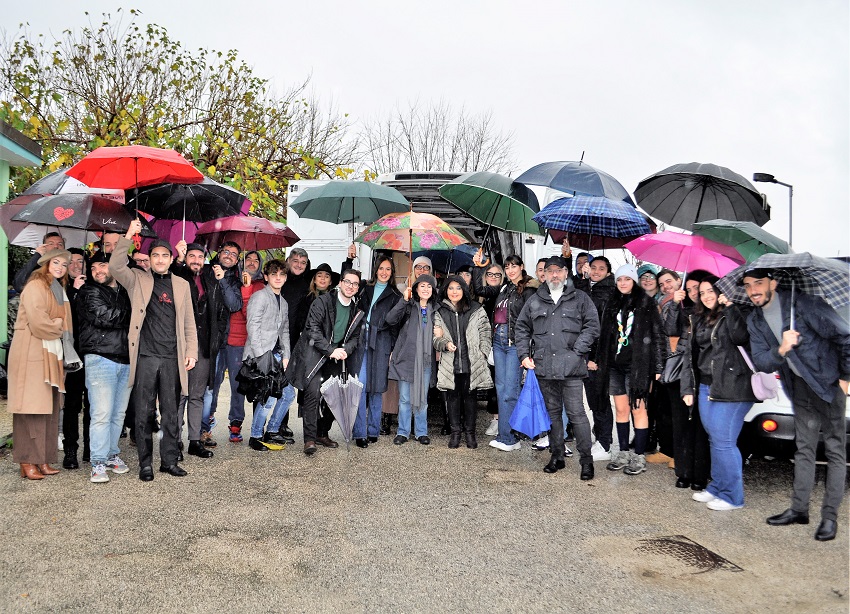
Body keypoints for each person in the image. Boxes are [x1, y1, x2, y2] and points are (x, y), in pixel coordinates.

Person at [743, 268, 850, 541]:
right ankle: (799, 509)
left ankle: (829, 518)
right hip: (799, 388)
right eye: (747, 285)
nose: (753, 290)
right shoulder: (755, 320)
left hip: (828, 385)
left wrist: (846, 378)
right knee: (804, 448)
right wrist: (782, 348)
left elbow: (845, 336)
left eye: (759, 283)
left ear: (773, 283)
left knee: (836, 451)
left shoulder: (804, 304)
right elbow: (762, 362)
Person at [111, 220, 197, 481]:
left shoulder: (181, 285)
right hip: (147, 357)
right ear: (149, 259)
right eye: (155, 255)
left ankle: (168, 461)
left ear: (171, 259)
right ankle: (145, 463)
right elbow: (115, 266)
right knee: (144, 412)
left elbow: (189, 323)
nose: (160, 260)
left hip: (173, 357)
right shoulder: (137, 279)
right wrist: (129, 234)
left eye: (164, 255)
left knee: (171, 413)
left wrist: (191, 351)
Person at [515, 256, 599, 478]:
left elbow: (592, 326)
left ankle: (586, 461)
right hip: (545, 367)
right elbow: (521, 327)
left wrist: (577, 351)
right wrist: (524, 355)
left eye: (559, 270)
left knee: (577, 414)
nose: (554, 275)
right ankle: (557, 455)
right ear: (544, 274)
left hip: (571, 367)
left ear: (566, 273)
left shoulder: (580, 298)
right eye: (550, 271)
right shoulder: (535, 299)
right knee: (552, 414)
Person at [680, 275, 756, 510]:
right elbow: (690, 356)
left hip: (734, 386)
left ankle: (733, 497)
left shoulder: (738, 311)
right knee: (716, 439)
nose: (706, 295)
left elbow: (740, 337)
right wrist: (688, 387)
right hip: (705, 385)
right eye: (702, 293)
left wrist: (731, 307)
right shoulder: (699, 318)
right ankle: (717, 487)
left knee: (724, 442)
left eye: (711, 290)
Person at [7, 248, 73, 480]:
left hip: (48, 353)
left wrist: (59, 324)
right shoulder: (35, 285)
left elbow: (64, 322)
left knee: (48, 408)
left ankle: (42, 458)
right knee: (30, 408)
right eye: (56, 262)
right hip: (30, 353)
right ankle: (27, 460)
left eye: (64, 265)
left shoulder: (56, 288)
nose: (60, 268)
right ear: (45, 263)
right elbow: (40, 323)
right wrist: (58, 324)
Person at [595, 264, 665, 477]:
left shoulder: (646, 303)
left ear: (634, 281)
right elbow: (604, 334)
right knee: (622, 409)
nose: (623, 283)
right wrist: (598, 360)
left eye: (627, 279)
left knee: (638, 410)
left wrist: (659, 367)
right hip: (615, 366)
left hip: (638, 366)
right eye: (619, 279)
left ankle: (639, 456)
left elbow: (658, 336)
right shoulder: (612, 302)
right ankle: (623, 452)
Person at [172, 240, 241, 452]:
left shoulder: (215, 277)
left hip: (206, 344)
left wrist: (222, 281)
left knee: (198, 394)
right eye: (192, 257)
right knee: (180, 394)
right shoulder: (188, 274)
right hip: (181, 343)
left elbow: (230, 306)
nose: (196, 261)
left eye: (200, 257)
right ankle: (174, 439)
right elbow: (174, 277)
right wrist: (179, 259)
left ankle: (194, 440)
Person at [286, 269, 363, 455]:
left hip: (336, 357)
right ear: (340, 283)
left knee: (334, 396)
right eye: (348, 282)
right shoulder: (323, 301)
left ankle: (322, 432)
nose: (350, 286)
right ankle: (310, 439)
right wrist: (330, 350)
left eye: (355, 284)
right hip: (315, 354)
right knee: (312, 395)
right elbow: (312, 329)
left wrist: (345, 350)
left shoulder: (356, 310)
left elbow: (355, 337)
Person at [75, 250, 133, 483]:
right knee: (100, 413)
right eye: (94, 267)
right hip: (100, 358)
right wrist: (135, 314)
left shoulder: (124, 292)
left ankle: (111, 455)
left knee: (117, 414)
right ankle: (97, 462)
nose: (98, 271)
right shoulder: (88, 291)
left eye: (103, 266)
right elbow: (105, 317)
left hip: (125, 359)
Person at [472, 254, 535, 452]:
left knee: (510, 391)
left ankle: (510, 437)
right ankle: (504, 434)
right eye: (507, 267)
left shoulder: (529, 289)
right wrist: (477, 267)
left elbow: (530, 320)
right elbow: (480, 289)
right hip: (498, 341)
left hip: (514, 342)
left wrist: (527, 348)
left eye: (514, 266)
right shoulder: (504, 288)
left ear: (521, 267)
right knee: (500, 389)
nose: (510, 270)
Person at [267, 260, 336, 442]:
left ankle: (323, 432)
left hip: (330, 352)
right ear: (314, 279)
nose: (322, 278)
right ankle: (310, 435)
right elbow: (299, 322)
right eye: (319, 275)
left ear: (330, 281)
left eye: (326, 276)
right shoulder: (307, 298)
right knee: (310, 394)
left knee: (328, 392)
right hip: (310, 349)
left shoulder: (335, 299)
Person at [661, 269, 711, 488]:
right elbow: (668, 328)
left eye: (696, 288)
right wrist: (674, 304)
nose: (692, 293)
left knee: (701, 426)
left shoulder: (713, 312)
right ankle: (683, 472)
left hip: (704, 375)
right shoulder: (683, 309)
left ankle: (700, 475)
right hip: (681, 372)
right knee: (681, 425)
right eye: (689, 289)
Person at [433, 276, 492, 449]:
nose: (454, 292)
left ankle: (470, 433)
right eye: (450, 288)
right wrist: (444, 343)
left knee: (470, 398)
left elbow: (486, 333)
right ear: (445, 291)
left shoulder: (476, 308)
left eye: (458, 288)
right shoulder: (440, 311)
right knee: (452, 397)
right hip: (451, 362)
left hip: (471, 361)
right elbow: (435, 339)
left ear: (464, 290)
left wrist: (483, 352)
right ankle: (455, 433)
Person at [353, 255, 402, 448]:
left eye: (388, 269)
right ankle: (359, 432)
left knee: (377, 388)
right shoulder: (365, 288)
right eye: (381, 268)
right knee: (361, 385)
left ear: (392, 273)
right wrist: (349, 261)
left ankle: (373, 430)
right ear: (376, 270)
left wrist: (392, 349)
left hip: (382, 342)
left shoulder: (396, 295)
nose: (384, 272)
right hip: (361, 341)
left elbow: (396, 326)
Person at [243, 259, 291, 451]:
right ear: (266, 276)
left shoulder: (284, 302)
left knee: (287, 395)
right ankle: (255, 436)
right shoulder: (260, 296)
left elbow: (284, 331)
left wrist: (286, 355)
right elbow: (252, 326)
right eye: (274, 274)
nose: (278, 278)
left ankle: (271, 430)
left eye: (281, 274)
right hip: (262, 355)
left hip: (278, 355)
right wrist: (262, 356)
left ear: (286, 277)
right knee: (268, 396)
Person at [386, 274, 437, 445]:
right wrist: (403, 300)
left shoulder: (436, 309)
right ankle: (403, 432)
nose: (426, 289)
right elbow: (390, 319)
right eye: (422, 285)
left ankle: (421, 432)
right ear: (415, 288)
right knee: (405, 398)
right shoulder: (408, 306)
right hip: (406, 358)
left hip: (425, 361)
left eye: (429, 286)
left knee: (422, 398)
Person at [580, 255, 617, 461]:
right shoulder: (589, 287)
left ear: (608, 273)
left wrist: (594, 357)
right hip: (586, 355)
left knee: (600, 400)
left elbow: (601, 330)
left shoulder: (608, 293)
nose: (596, 271)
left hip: (598, 357)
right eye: (593, 267)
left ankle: (605, 444)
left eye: (601, 269)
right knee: (594, 400)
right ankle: (599, 439)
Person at [61, 247, 90, 469]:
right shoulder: (59, 288)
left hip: (91, 352)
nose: (75, 265)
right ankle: (70, 450)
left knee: (92, 404)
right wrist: (74, 292)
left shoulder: (92, 285)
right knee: (72, 405)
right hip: (71, 353)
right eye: (71, 261)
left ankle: (91, 448)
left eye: (80, 261)